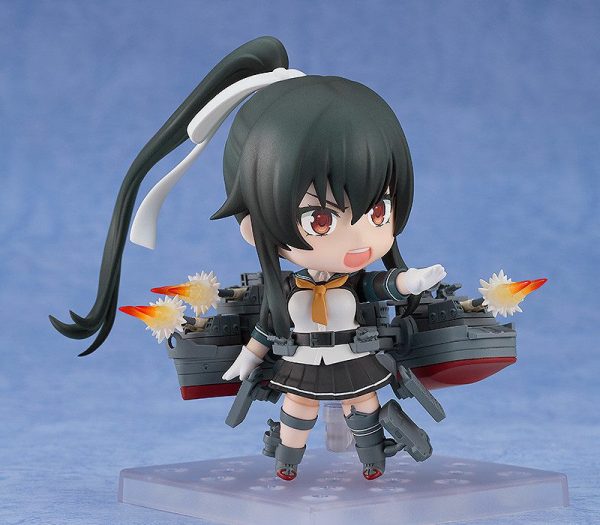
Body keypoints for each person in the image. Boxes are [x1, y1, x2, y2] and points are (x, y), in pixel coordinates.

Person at [50, 35, 445, 481]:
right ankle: (287, 462)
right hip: (303, 361)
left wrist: (412, 281)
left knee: (364, 406)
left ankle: (372, 459)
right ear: (254, 225)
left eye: (378, 211)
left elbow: (382, 285)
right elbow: (267, 326)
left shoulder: (352, 283)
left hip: (352, 359)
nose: (359, 239)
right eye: (320, 220)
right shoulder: (287, 289)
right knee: (298, 410)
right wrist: (247, 357)